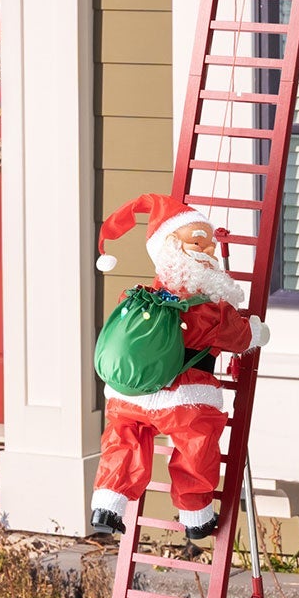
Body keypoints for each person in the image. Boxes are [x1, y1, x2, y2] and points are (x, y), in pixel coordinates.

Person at [87, 192, 269, 544]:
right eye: (199, 242)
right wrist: (257, 332)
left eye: (211, 244)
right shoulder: (208, 308)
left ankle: (107, 506)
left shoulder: (138, 296)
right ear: (171, 245)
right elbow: (239, 336)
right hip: (183, 400)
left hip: (131, 394)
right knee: (195, 447)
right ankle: (195, 516)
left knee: (123, 440)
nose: (210, 250)